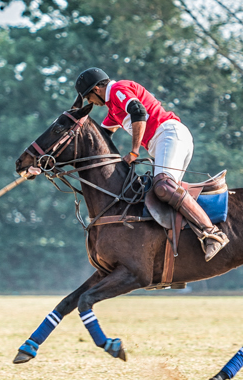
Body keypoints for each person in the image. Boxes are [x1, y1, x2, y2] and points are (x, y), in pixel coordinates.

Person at [73, 67, 229, 261]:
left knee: (164, 186)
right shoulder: (113, 112)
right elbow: (96, 141)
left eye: (88, 97)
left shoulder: (117, 89)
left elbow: (138, 111)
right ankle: (175, 255)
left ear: (97, 89)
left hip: (168, 134)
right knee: (161, 196)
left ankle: (212, 233)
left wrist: (133, 151)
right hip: (164, 141)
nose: (90, 102)